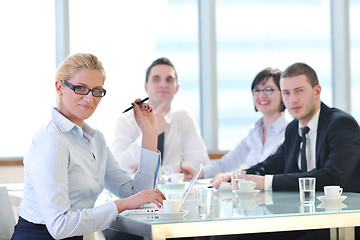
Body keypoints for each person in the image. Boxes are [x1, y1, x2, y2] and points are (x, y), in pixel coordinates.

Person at [11, 53, 165, 240]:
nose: (90, 99)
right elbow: (59, 226)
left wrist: (149, 134)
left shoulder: (95, 140)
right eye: (81, 89)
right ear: (60, 87)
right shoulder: (51, 139)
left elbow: (139, 196)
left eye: (97, 91)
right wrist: (123, 204)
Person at [215, 62, 360, 192]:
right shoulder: (293, 129)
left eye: (299, 91)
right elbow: (271, 166)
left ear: (317, 91)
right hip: (307, 213)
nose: (293, 100)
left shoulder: (341, 124)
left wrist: (266, 183)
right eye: (286, 93)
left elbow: (332, 178)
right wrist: (238, 176)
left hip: (344, 215)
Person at [181, 67, 289, 182]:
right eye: (257, 90)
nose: (262, 95)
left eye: (269, 90)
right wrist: (200, 173)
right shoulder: (254, 132)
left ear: (283, 94)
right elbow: (227, 162)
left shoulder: (290, 132)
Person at [111, 57, 210, 173]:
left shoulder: (184, 117)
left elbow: (201, 162)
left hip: (172, 189)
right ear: (146, 87)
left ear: (176, 88)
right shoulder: (126, 120)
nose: (163, 84)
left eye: (169, 80)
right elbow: (119, 166)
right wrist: (151, 133)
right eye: (156, 79)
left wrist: (160, 171)